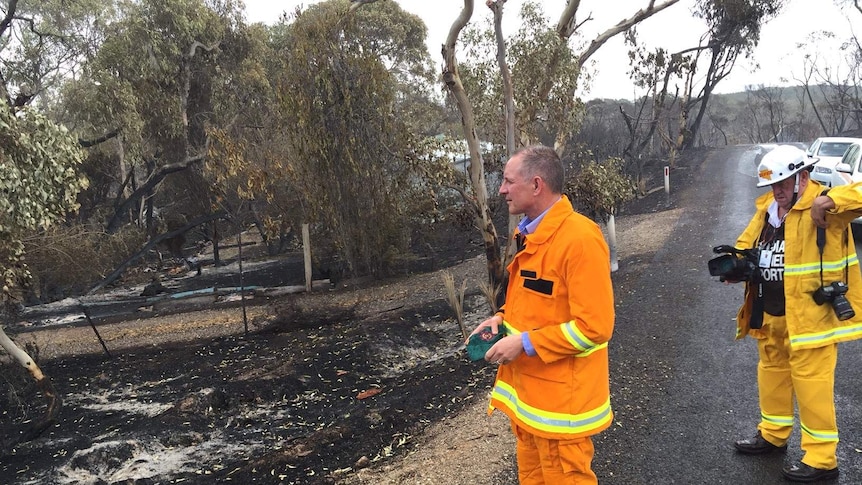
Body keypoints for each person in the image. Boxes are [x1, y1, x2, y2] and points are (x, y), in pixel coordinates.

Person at [466, 145, 615, 484]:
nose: (501, 190)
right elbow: (535, 301)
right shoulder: (532, 234)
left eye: (507, 181)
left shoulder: (579, 239)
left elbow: (595, 327)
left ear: (536, 185)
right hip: (531, 403)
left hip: (562, 409)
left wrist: (525, 344)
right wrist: (500, 319)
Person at [730, 144, 862, 482]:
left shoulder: (826, 205)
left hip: (811, 318)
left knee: (812, 385)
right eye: (773, 186)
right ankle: (773, 434)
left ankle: (821, 459)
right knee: (771, 374)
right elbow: (746, 244)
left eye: (783, 184)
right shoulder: (769, 211)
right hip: (771, 313)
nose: (778, 191)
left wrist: (831, 201)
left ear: (802, 177)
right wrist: (736, 264)